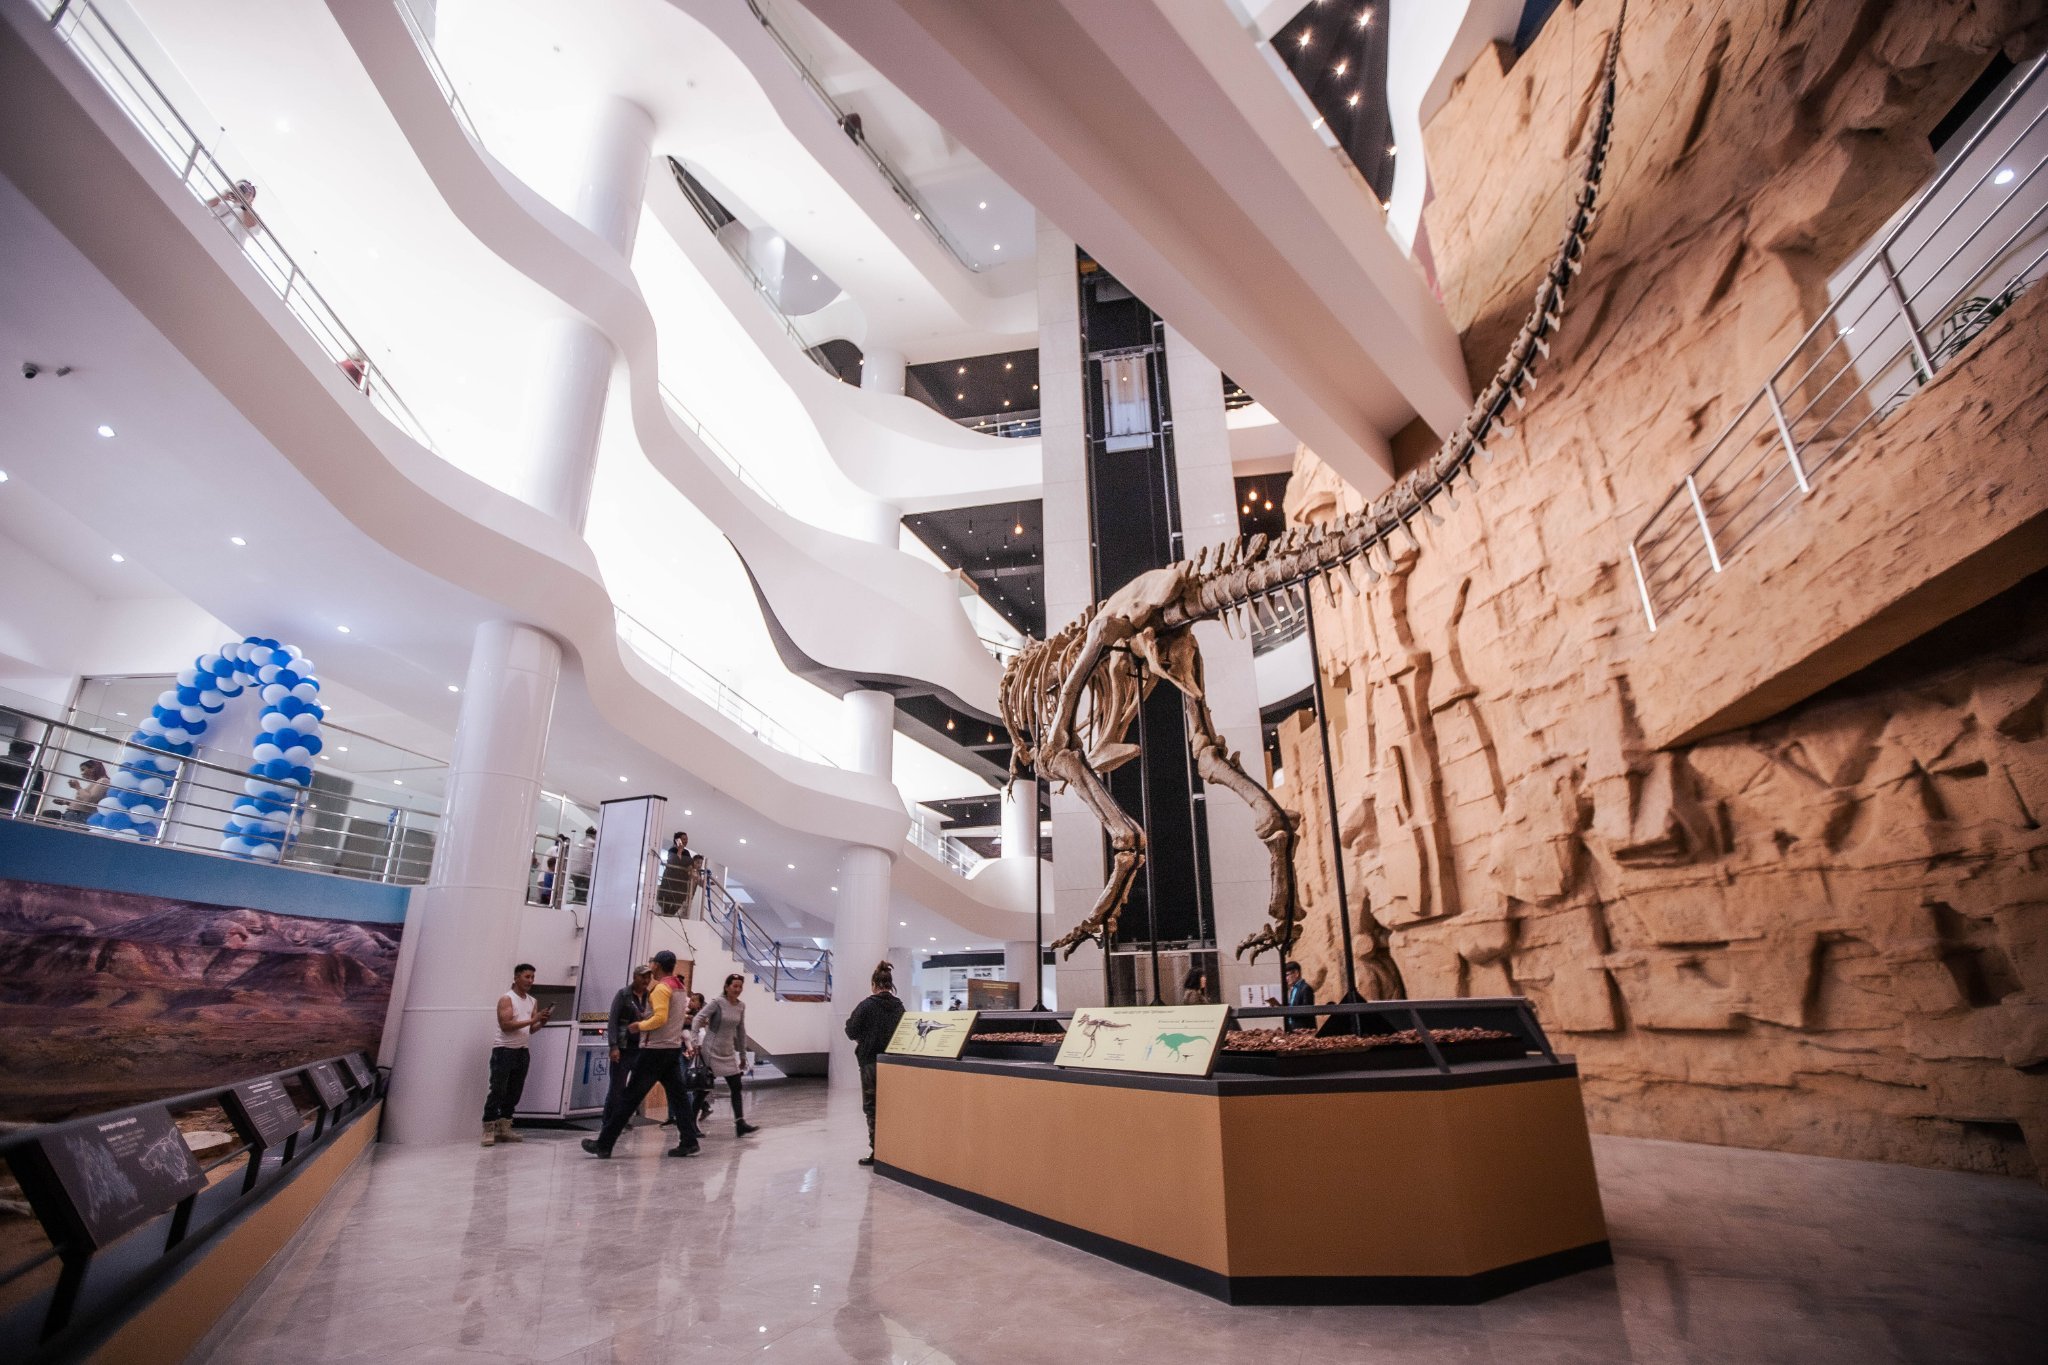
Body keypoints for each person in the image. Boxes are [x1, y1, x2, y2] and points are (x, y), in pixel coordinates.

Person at [583, 950, 701, 1158]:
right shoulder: (680, 987)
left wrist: (639, 1026)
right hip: (672, 1050)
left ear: (657, 965)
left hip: (654, 1051)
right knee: (679, 1097)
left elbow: (660, 1018)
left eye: (652, 963)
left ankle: (604, 1143)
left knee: (629, 1097)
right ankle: (689, 1140)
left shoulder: (661, 988)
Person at [844, 961, 905, 1166]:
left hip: (870, 1061)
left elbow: (850, 1030)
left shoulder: (866, 1005)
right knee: (891, 1106)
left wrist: (864, 1038)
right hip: (893, 1063)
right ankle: (894, 1148)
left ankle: (877, 1151)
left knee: (872, 1108)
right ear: (890, 984)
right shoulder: (899, 1007)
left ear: (874, 984)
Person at [483, 963, 552, 1146]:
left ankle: (504, 1126)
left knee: (514, 1091)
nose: (530, 981)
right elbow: (506, 1026)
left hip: (522, 1050)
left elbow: (531, 1029)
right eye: (527, 977)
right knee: (498, 1089)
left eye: (532, 977)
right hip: (504, 1050)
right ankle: (488, 1127)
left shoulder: (532, 1001)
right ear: (516, 978)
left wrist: (541, 1022)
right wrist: (532, 1019)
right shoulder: (507, 999)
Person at [696, 973, 759, 1136]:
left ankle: (740, 1123)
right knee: (704, 1089)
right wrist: (695, 1042)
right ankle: (690, 1125)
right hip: (711, 1050)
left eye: (740, 986)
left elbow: (741, 1030)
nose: (738, 989)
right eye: (734, 986)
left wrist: (743, 1055)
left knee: (736, 1086)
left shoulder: (741, 1006)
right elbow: (698, 1018)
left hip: (728, 1052)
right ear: (727, 987)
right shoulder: (717, 1003)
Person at [606, 963, 654, 1114]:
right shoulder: (623, 994)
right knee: (617, 1088)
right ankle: (609, 1120)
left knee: (637, 1088)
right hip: (623, 1049)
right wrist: (613, 1046)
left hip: (641, 1049)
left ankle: (625, 1117)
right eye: (643, 977)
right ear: (634, 977)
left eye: (649, 977)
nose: (646, 980)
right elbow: (613, 1021)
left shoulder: (650, 996)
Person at [655, 831, 700, 916]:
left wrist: (691, 871)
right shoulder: (672, 850)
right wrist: (679, 850)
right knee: (666, 902)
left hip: (681, 883)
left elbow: (690, 864)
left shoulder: (686, 853)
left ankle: (669, 916)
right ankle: (666, 915)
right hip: (670, 881)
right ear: (677, 840)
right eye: (684, 839)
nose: (686, 841)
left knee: (678, 902)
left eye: (686, 839)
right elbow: (674, 861)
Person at [61, 758, 108, 825]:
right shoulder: (96, 782)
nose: (81, 773)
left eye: (83, 769)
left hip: (79, 815)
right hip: (76, 815)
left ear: (93, 768)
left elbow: (90, 800)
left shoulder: (104, 781)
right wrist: (66, 802)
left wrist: (78, 787)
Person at [1281, 961, 1317, 1033]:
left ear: (1296, 973)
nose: (1286, 978)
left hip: (1304, 1029)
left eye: (1287, 975)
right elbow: (1293, 1006)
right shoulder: (1293, 989)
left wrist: (1289, 1012)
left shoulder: (1306, 988)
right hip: (1293, 1028)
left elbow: (1306, 1010)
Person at [567, 826, 596, 905]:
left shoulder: (580, 842)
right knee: (582, 894)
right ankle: (578, 906)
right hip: (584, 872)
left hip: (574, 872)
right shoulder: (593, 843)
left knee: (578, 892)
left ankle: (574, 904)